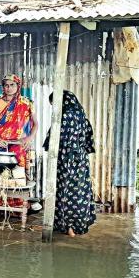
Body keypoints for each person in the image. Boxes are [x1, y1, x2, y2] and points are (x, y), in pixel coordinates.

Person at [43, 90, 96, 237]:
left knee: (65, 191)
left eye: (54, 104)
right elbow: (89, 140)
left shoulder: (64, 117)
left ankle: (68, 227)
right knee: (80, 192)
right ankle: (77, 226)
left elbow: (54, 139)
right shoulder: (82, 116)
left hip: (66, 161)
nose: (54, 108)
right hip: (81, 162)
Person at [0, 73, 38, 210]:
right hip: (2, 145)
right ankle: (2, 205)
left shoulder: (27, 103)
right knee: (2, 175)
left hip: (20, 145)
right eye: (6, 85)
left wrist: (29, 138)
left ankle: (19, 206)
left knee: (19, 175)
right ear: (3, 87)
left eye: (12, 85)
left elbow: (35, 124)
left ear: (18, 86)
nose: (9, 88)